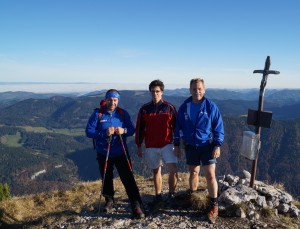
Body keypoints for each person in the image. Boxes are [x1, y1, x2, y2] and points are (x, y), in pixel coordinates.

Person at [85, 89, 145, 219]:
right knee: (106, 177)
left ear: (118, 101)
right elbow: (88, 132)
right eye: (110, 100)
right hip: (103, 152)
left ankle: (135, 203)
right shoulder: (98, 114)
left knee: (128, 177)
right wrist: (104, 133)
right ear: (106, 100)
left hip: (120, 151)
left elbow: (132, 130)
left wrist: (123, 130)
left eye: (115, 100)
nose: (112, 102)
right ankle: (109, 200)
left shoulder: (123, 114)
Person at [173, 78, 224, 223]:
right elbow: (178, 126)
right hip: (191, 145)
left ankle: (214, 204)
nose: (197, 91)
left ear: (204, 89)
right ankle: (193, 196)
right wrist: (176, 144)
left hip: (207, 145)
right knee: (193, 172)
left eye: (200, 88)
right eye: (194, 89)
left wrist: (217, 145)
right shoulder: (185, 106)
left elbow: (218, 127)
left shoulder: (210, 106)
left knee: (210, 175)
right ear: (190, 90)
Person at [135, 79, 178, 205]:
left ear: (162, 92)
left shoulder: (169, 108)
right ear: (150, 92)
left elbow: (176, 127)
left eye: (157, 91)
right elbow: (139, 128)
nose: (155, 94)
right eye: (153, 91)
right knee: (156, 171)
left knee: (173, 169)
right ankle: (158, 195)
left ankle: (171, 194)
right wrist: (138, 145)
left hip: (167, 143)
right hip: (151, 145)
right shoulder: (144, 109)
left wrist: (177, 144)